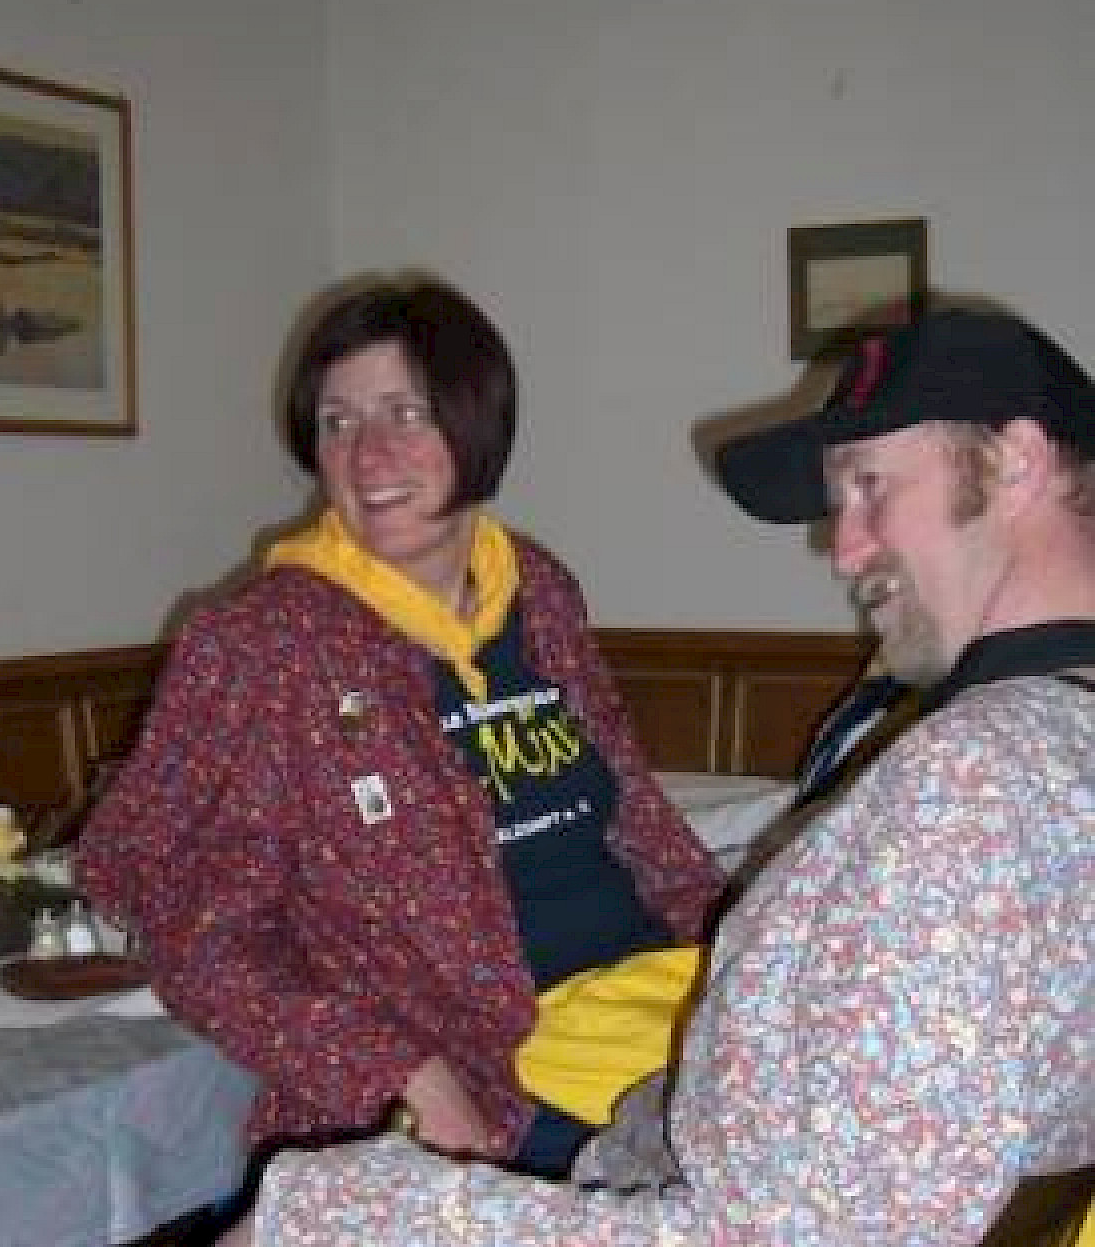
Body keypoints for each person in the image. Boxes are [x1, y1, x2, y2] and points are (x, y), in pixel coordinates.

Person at [185, 302, 1095, 1247]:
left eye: (871, 487)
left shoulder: (973, 787)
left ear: (1018, 461)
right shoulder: (1056, 741)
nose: (843, 545)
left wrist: (331, 1199)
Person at [76, 275, 722, 1176]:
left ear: (476, 424)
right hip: (494, 1073)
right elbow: (186, 921)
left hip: (658, 1003)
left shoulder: (536, 589)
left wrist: (741, 951)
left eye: (405, 414)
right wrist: (398, 1070)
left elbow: (635, 816)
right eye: (337, 423)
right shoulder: (263, 644)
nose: (368, 455)